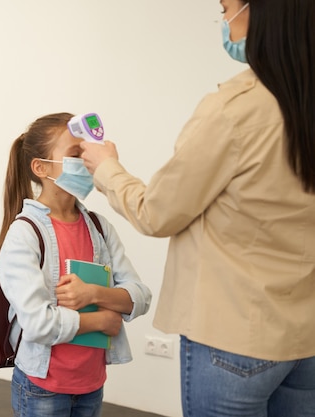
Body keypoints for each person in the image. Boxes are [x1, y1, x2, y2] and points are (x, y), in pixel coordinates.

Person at [80, 1, 315, 416]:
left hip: (234, 337)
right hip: (306, 335)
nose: (224, 22)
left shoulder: (234, 110)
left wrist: (107, 168)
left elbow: (156, 213)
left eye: (226, 8)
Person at [0, 113, 151, 417]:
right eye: (76, 154)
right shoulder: (24, 235)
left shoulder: (99, 227)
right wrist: (101, 321)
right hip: (44, 388)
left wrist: (93, 294)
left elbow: (141, 295)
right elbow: (38, 323)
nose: (88, 160)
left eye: (87, 152)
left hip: (92, 384)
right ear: (40, 168)